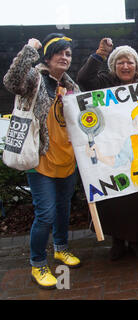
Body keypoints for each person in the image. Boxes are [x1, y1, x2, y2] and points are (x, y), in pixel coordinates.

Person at [3, 33, 81, 289]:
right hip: (41, 161)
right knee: (45, 214)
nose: (64, 57)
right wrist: (28, 50)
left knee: (62, 210)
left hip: (67, 159)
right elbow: (11, 81)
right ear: (47, 57)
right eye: (59, 52)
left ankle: (60, 248)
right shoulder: (35, 80)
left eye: (68, 53)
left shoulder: (71, 87)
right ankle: (38, 264)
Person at [77, 39, 138, 260]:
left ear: (136, 65)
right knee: (115, 197)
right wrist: (100, 53)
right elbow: (83, 79)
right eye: (120, 62)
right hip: (111, 150)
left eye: (129, 62)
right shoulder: (103, 82)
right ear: (113, 66)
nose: (125, 66)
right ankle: (118, 242)